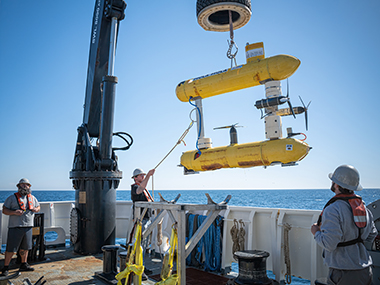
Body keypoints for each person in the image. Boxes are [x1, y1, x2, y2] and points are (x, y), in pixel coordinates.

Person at [311, 165, 377, 285]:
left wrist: (316, 232)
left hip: (344, 274)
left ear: (336, 184)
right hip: (366, 271)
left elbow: (329, 244)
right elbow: (372, 234)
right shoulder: (363, 208)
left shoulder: (333, 209)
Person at [1, 178, 40, 276]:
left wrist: (36, 209)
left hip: (28, 226)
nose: (25, 187)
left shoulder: (33, 198)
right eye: (22, 185)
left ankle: (24, 264)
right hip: (15, 227)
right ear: (18, 187)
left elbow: (38, 207)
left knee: (25, 247)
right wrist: (14, 212)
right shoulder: (11, 198)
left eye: (27, 185)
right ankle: (6, 267)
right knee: (11, 249)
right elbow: (4, 210)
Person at [130, 168, 155, 280]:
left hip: (147, 219)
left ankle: (142, 267)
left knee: (144, 246)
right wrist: (149, 176)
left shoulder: (144, 188)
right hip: (141, 221)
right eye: (141, 175)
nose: (143, 177)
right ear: (135, 178)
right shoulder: (135, 187)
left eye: (143, 175)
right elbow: (139, 190)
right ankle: (139, 269)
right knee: (140, 246)